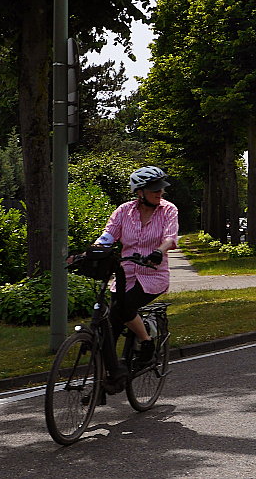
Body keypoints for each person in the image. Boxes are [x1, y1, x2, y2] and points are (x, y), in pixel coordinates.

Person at [94, 165, 179, 391]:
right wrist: (93, 250)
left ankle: (146, 343)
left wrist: (159, 251)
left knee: (123, 308)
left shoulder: (168, 210)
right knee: (108, 327)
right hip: (125, 275)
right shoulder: (124, 211)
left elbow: (170, 238)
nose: (160, 194)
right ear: (140, 193)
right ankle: (112, 374)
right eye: (154, 190)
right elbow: (109, 235)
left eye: (161, 189)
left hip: (153, 276)